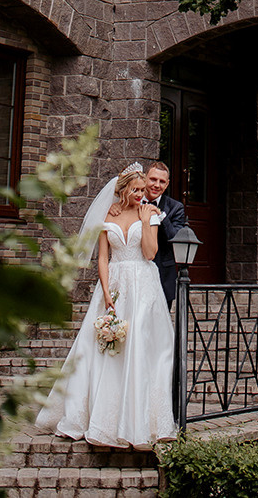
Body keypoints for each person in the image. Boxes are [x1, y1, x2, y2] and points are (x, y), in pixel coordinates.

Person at [35, 162, 177, 447]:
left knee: (139, 346)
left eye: (143, 190)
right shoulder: (108, 216)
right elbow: (102, 258)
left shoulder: (148, 212)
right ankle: (89, 418)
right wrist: (107, 293)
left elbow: (150, 254)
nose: (142, 194)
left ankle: (140, 423)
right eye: (136, 190)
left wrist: (149, 219)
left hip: (144, 285)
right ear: (122, 190)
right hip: (114, 284)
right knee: (99, 349)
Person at [142, 160, 187, 308]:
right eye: (153, 179)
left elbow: (175, 239)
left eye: (162, 181)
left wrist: (161, 215)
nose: (157, 185)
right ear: (144, 179)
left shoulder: (176, 208)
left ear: (167, 184)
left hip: (163, 276)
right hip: (135, 274)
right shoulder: (132, 203)